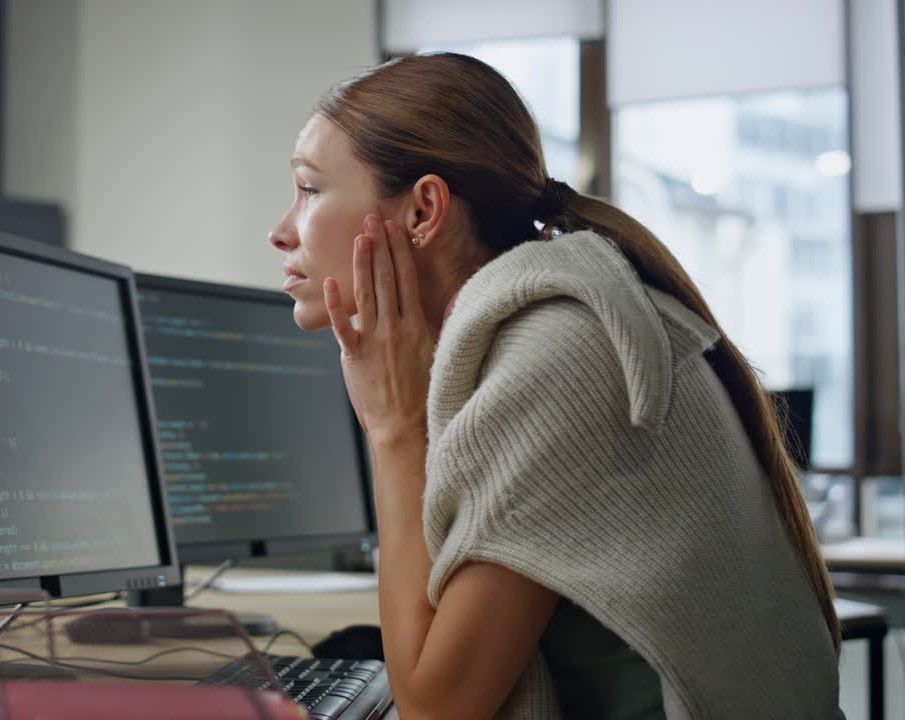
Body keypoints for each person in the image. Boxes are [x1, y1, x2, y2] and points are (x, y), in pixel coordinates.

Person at [268, 52, 841, 719]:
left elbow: (437, 711)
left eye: (309, 189)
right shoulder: (544, 329)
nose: (281, 231)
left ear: (424, 211)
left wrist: (394, 429)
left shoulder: (556, 355)